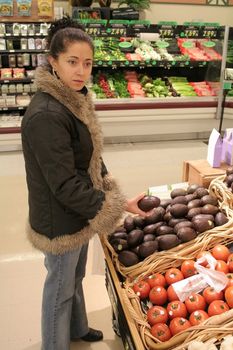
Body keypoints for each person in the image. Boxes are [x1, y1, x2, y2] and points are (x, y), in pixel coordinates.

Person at [21, 16, 149, 350]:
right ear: (53, 62)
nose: (81, 71)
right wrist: (112, 207)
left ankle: (77, 328)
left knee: (74, 279)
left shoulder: (73, 99)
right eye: (72, 62)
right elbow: (63, 185)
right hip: (61, 220)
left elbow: (89, 155)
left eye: (88, 63)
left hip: (79, 211)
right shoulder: (47, 114)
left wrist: (112, 192)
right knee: (60, 290)